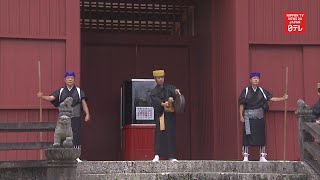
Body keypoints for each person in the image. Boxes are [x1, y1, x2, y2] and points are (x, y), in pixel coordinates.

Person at [37, 71, 90, 162]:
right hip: (63, 118)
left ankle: (76, 155)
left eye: (72, 78)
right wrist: (42, 97)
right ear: (64, 80)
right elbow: (51, 98)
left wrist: (87, 113)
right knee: (61, 134)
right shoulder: (61, 91)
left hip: (75, 116)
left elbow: (84, 103)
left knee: (75, 134)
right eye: (68, 78)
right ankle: (62, 155)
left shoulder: (78, 91)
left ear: (74, 79)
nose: (70, 79)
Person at [239, 72, 288, 162]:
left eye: (257, 78)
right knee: (247, 136)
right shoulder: (245, 91)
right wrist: (241, 115)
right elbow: (241, 104)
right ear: (250, 80)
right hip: (248, 117)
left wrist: (282, 98)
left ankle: (262, 156)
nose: (256, 80)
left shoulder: (262, 91)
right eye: (254, 78)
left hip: (259, 117)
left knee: (261, 135)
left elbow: (271, 98)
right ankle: (245, 156)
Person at [150, 70, 181, 162]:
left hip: (169, 116)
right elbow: (155, 101)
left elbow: (173, 90)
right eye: (158, 78)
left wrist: (176, 91)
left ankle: (172, 156)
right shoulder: (154, 92)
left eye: (162, 77)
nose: (160, 80)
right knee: (159, 135)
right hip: (160, 116)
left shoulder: (168, 88)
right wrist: (162, 104)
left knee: (170, 135)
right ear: (155, 79)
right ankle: (157, 155)